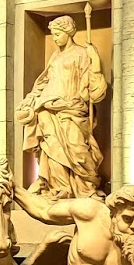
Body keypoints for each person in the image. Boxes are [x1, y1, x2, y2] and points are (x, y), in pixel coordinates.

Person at [17, 16, 107, 199]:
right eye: (53, 35)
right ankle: (58, 186)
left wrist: (95, 61)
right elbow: (44, 82)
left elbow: (93, 87)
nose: (55, 38)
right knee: (51, 147)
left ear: (68, 33)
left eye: (58, 34)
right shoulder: (55, 56)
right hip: (48, 107)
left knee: (77, 146)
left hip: (72, 108)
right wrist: (31, 98)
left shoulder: (82, 53)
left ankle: (86, 186)